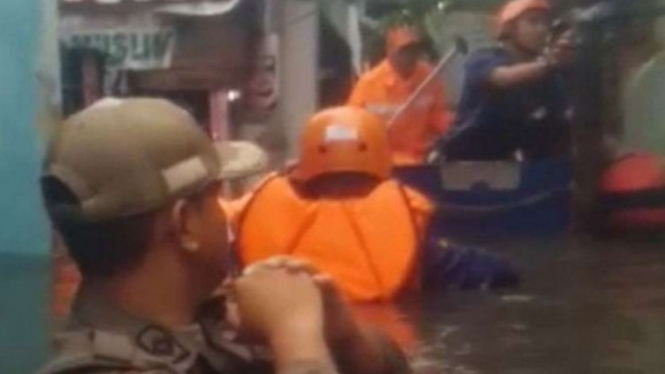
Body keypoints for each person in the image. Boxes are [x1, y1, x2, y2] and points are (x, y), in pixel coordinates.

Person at [37, 98, 409, 374]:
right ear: (185, 224)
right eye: (215, 198)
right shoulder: (94, 368)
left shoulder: (208, 323)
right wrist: (296, 337)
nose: (224, 214)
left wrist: (341, 334)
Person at [233, 106, 519, 302]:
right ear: (382, 170)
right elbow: (499, 271)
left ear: (306, 174)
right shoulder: (419, 248)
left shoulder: (248, 230)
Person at [444, 0, 573, 161]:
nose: (542, 29)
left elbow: (566, 116)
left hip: (521, 164)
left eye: (546, 24)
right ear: (509, 29)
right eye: (533, 22)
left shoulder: (549, 77)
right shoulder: (483, 58)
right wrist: (549, 63)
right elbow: (502, 78)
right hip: (466, 160)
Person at [348, 26, 453, 165]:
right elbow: (351, 124)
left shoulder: (430, 78)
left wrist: (455, 133)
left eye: (414, 51)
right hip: (380, 160)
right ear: (389, 52)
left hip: (420, 161)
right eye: (404, 51)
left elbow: (440, 119)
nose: (410, 56)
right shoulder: (368, 83)